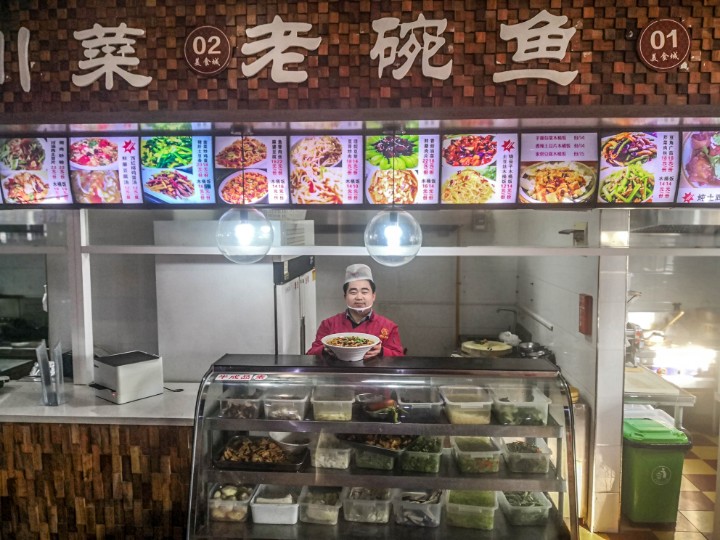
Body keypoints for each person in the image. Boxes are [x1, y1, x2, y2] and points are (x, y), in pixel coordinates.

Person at [307, 263, 404, 359]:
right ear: (345, 297)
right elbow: (310, 355)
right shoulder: (328, 324)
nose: (359, 297)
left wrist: (381, 351)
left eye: (364, 292)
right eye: (353, 292)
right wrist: (324, 350)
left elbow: (399, 357)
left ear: (373, 296)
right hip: (337, 369)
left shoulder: (389, 327)